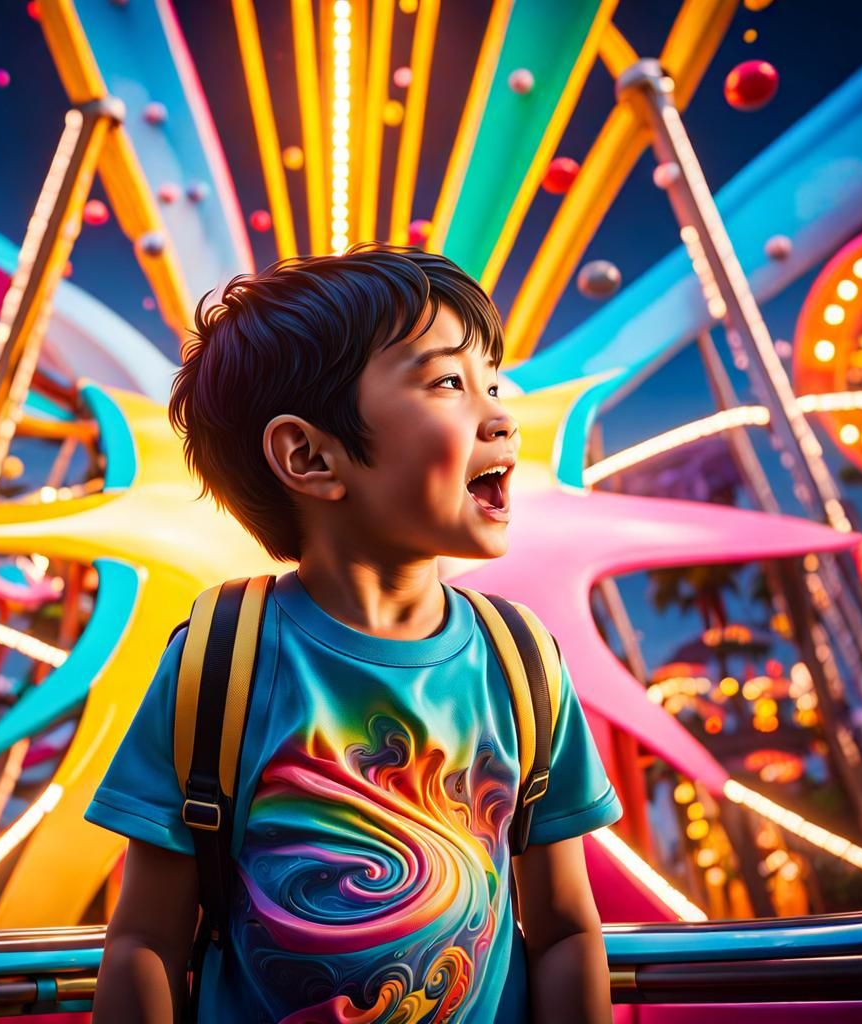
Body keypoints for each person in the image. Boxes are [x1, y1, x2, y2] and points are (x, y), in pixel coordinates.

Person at [84, 242, 623, 1023]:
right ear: (308, 455)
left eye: (492, 384)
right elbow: (145, 941)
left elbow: (568, 928)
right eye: (447, 383)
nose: (503, 415)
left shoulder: (521, 660)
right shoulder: (219, 661)